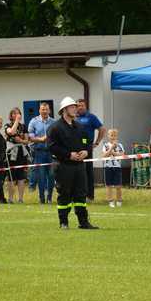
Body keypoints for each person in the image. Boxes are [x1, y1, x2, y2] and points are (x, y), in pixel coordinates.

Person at [47, 96, 98, 229]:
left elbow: (87, 141)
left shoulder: (80, 127)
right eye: (72, 107)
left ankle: (83, 222)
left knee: (81, 194)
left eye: (75, 107)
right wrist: (69, 155)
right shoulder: (55, 128)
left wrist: (86, 152)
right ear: (64, 110)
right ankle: (63, 222)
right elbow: (52, 146)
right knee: (64, 194)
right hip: (63, 166)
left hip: (79, 166)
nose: (75, 109)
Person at [75, 99, 106, 201]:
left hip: (87, 147)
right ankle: (78, 195)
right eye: (78, 106)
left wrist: (97, 143)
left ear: (86, 106)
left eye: (82, 105)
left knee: (88, 171)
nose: (80, 107)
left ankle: (90, 196)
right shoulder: (74, 117)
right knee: (76, 171)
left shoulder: (91, 117)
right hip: (75, 147)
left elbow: (102, 129)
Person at [28, 101, 55, 204]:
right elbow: (30, 137)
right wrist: (41, 139)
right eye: (42, 109)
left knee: (51, 175)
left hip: (51, 153)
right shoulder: (33, 121)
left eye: (46, 109)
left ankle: (49, 197)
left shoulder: (54, 122)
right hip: (39, 152)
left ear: (49, 110)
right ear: (39, 110)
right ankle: (42, 198)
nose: (44, 111)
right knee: (41, 176)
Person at [4, 108, 30, 204]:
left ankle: (20, 199)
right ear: (11, 116)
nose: (17, 115)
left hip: (21, 153)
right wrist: (16, 122)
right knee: (11, 177)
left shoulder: (23, 126)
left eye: (18, 113)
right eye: (14, 113)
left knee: (21, 177)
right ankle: (10, 198)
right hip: (11, 153)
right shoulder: (7, 125)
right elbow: (11, 132)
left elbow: (27, 140)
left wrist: (21, 141)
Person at [102, 128, 124, 208]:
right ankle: (110, 201)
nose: (113, 137)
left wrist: (113, 153)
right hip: (108, 167)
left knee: (118, 185)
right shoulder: (105, 145)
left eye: (114, 135)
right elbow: (104, 155)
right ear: (108, 136)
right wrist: (111, 148)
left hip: (117, 167)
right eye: (111, 135)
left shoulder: (120, 145)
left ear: (117, 136)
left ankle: (119, 200)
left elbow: (122, 154)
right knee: (109, 185)